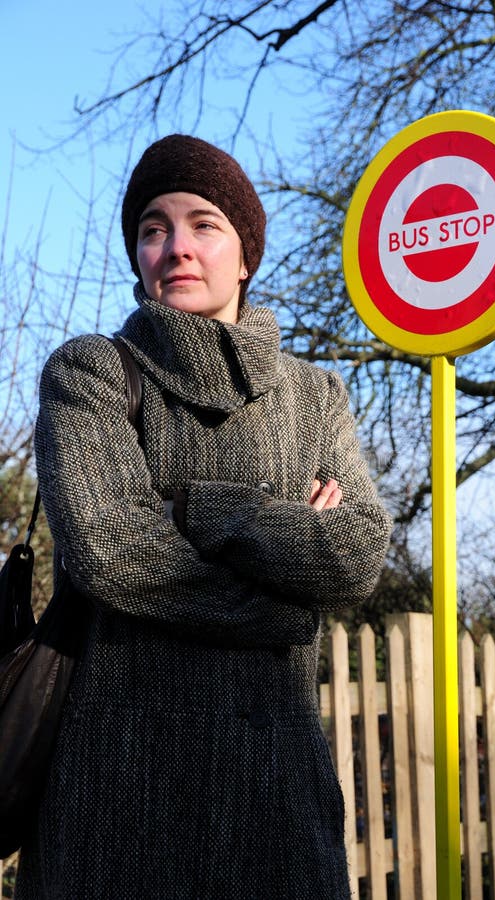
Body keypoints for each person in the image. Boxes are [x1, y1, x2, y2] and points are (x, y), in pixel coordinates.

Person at [15, 134, 393, 899]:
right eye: (152, 229)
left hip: (283, 804)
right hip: (119, 804)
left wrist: (200, 507)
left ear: (245, 254)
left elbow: (355, 553)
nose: (176, 246)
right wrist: (283, 597)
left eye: (203, 224)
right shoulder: (90, 372)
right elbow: (112, 550)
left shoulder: (316, 396)